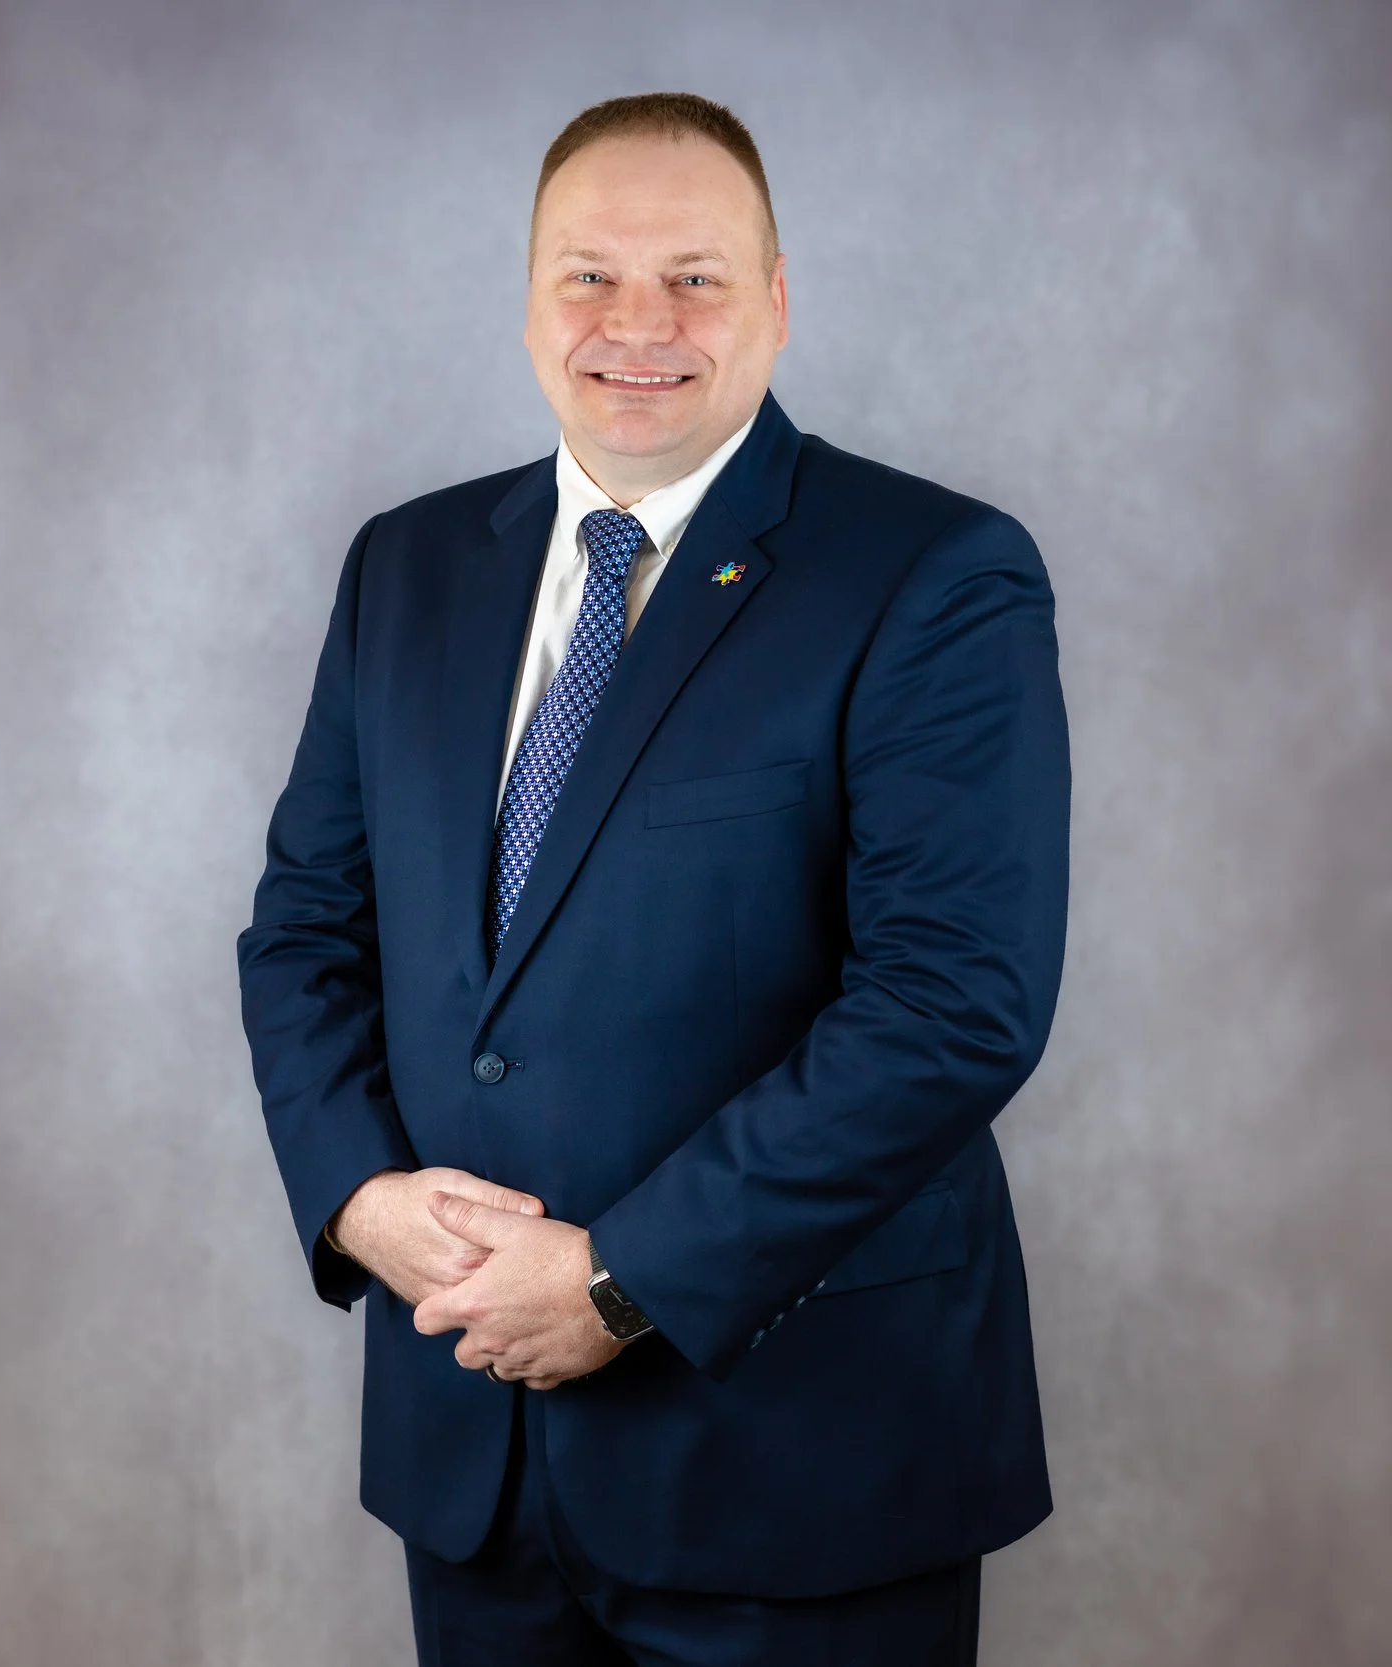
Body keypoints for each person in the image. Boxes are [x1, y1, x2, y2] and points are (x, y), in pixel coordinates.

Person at [238, 90, 1071, 1667]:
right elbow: (305, 935)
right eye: (590, 276)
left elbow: (954, 1004)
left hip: (801, 1464)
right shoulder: (406, 568)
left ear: (777, 298)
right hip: (474, 1453)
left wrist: (622, 1280)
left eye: (694, 276)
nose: (638, 325)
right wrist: (360, 1198)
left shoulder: (933, 573)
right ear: (528, 299)